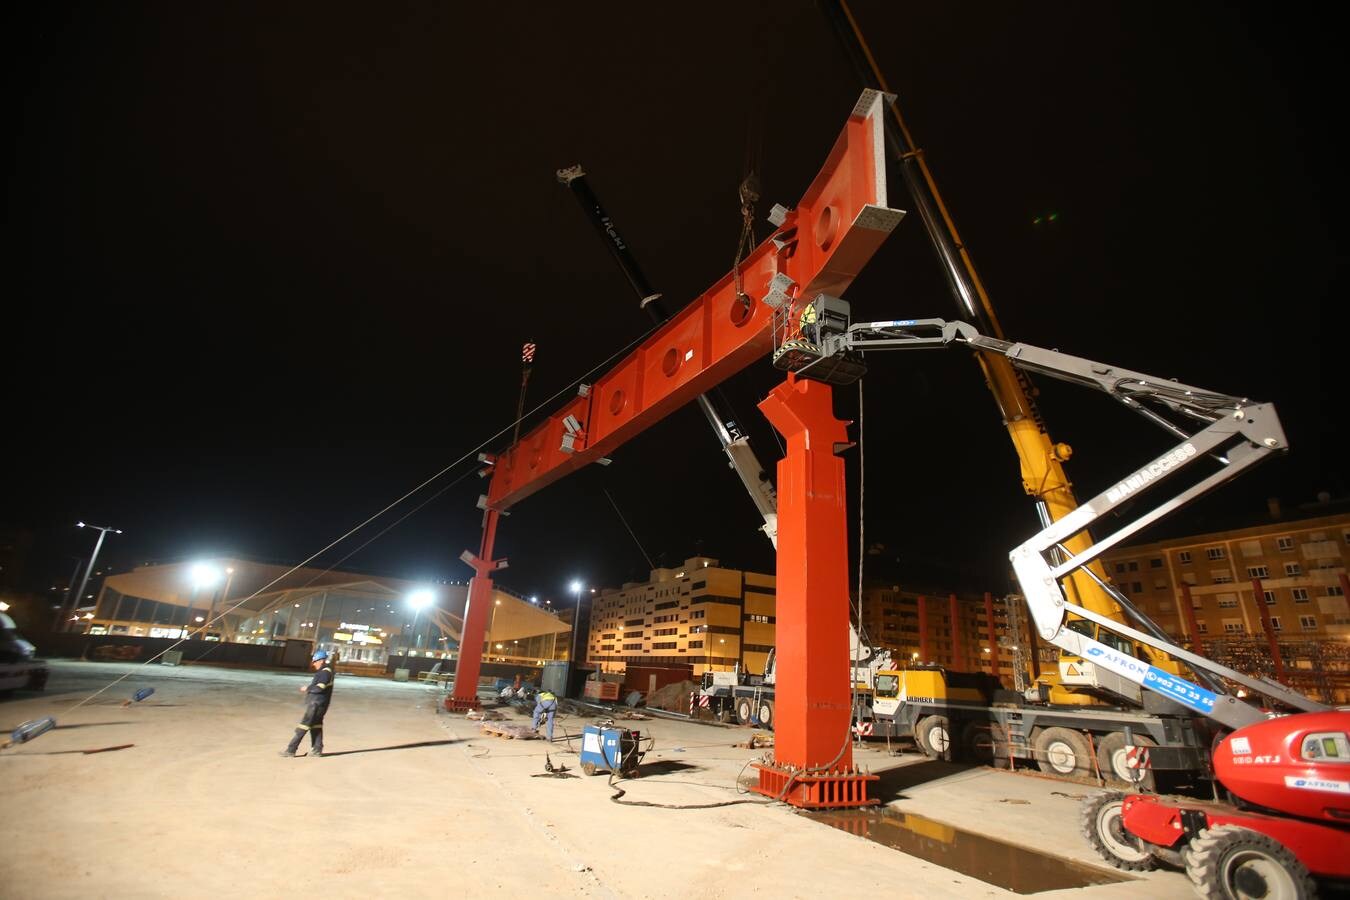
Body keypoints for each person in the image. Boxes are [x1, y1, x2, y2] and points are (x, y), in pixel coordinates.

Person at [279, 649, 334, 757]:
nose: (313, 664)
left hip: (316, 704)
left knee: (303, 726)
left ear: (321, 661)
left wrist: (307, 688)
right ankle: (317, 750)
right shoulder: (326, 671)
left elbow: (320, 688)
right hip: (321, 704)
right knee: (316, 726)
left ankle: (291, 750)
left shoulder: (325, 672)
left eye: (315, 662)